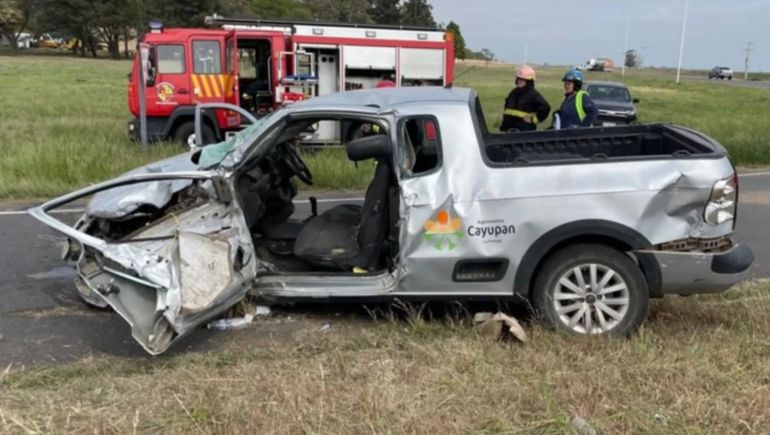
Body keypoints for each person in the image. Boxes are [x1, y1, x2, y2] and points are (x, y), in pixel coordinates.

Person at [500, 65, 551, 132]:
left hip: (523, 131)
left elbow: (545, 107)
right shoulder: (514, 92)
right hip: (508, 129)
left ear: (529, 81)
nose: (519, 81)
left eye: (522, 79)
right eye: (518, 78)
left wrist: (533, 120)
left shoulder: (532, 94)